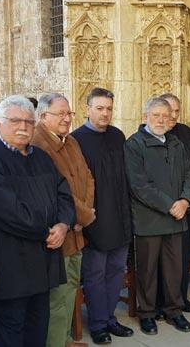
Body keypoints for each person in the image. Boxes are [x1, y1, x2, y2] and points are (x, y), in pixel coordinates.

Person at [0, 95, 74, 347]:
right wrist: (46, 231)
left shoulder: (40, 156)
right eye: (15, 121)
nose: (23, 127)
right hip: (12, 264)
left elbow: (64, 194)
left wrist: (63, 225)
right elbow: (8, 210)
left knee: (38, 328)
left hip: (44, 262)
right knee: (11, 331)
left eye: (29, 122)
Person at [126, 97, 190, 335]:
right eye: (155, 115)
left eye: (165, 116)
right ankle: (147, 313)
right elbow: (139, 185)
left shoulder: (176, 143)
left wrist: (185, 201)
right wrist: (170, 205)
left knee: (174, 270)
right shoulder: (134, 144)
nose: (161, 119)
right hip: (149, 220)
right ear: (145, 117)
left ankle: (174, 311)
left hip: (176, 219)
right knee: (147, 270)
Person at [31, 93, 96, 347]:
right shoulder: (39, 143)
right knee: (56, 297)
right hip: (59, 233)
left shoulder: (71, 142)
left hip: (78, 230)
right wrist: (80, 216)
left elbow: (88, 177)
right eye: (61, 114)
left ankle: (65, 339)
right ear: (43, 116)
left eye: (69, 114)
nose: (67, 119)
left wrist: (87, 213)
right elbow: (59, 190)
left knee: (70, 291)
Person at [71, 88, 134, 344]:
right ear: (87, 109)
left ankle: (109, 318)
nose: (105, 113)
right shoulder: (77, 140)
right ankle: (97, 324)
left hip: (120, 217)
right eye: (99, 108)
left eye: (109, 108)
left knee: (116, 271)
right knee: (95, 275)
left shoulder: (118, 135)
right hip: (95, 220)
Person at [160, 92, 190, 313]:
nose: (173, 115)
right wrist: (168, 202)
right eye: (169, 110)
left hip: (187, 207)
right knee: (162, 258)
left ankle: (181, 297)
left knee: (182, 255)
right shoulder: (150, 134)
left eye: (177, 111)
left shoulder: (187, 133)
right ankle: (160, 301)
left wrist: (186, 199)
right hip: (160, 210)